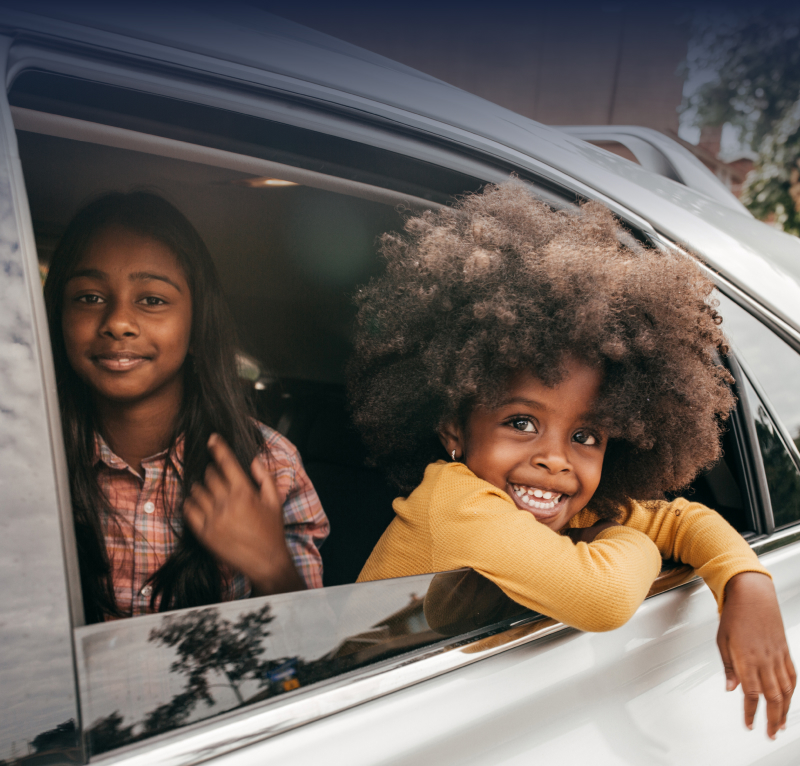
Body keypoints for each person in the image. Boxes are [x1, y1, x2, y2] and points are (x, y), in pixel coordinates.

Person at [350, 180, 795, 738]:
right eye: (521, 423)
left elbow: (679, 518)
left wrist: (745, 580)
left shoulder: (566, 505)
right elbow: (602, 597)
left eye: (587, 436)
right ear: (453, 432)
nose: (555, 460)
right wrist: (627, 537)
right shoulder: (454, 501)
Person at [44, 191, 329, 623]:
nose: (118, 322)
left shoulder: (269, 466)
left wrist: (270, 564)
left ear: (197, 329)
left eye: (152, 300)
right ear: (59, 317)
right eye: (89, 297)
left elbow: (311, 653)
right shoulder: (24, 455)